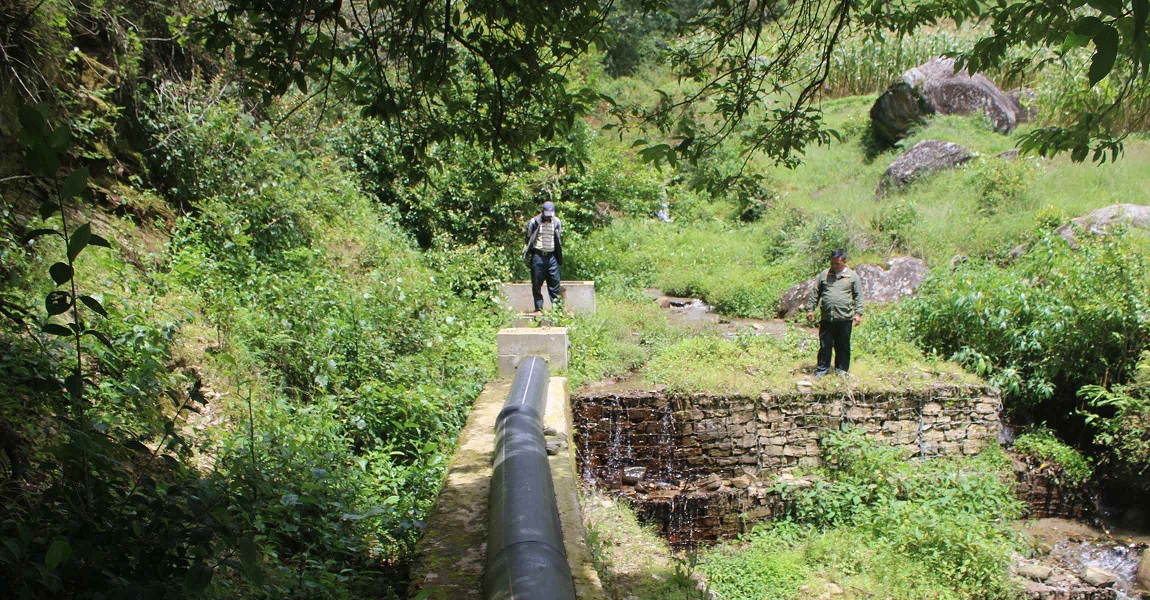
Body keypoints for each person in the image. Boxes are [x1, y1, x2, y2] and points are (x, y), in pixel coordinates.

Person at [805, 249, 864, 376]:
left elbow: (858, 296)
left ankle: (841, 371)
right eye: (832, 263)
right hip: (827, 319)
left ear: (844, 262)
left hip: (844, 319)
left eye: (837, 264)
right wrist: (810, 309)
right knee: (825, 346)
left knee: (842, 347)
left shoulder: (852, 277)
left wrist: (858, 314)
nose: (834, 266)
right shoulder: (824, 275)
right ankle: (822, 371)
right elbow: (815, 293)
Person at [522, 200, 563, 313]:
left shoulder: (557, 222)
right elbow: (528, 237)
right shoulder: (534, 222)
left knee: (555, 284)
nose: (548, 218)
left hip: (551, 257)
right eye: (547, 215)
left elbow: (558, 238)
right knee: (536, 283)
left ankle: (557, 311)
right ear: (542, 212)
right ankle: (538, 309)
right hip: (538, 256)